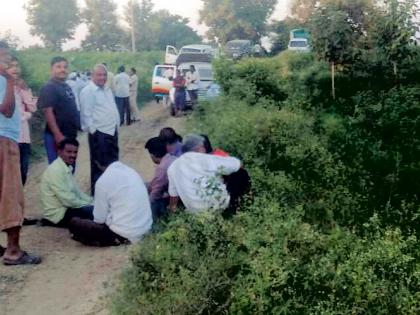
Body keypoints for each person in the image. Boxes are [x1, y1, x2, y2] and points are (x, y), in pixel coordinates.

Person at [0, 41, 41, 265]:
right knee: (11, 194)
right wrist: (8, 80)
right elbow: (6, 110)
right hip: (5, 139)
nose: (8, 64)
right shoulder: (3, 80)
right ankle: (13, 251)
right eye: (5, 59)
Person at [69, 159, 153, 247]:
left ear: (97, 162)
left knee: (75, 223)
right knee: (88, 211)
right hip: (145, 229)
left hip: (123, 234)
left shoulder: (102, 181)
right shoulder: (131, 171)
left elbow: (99, 219)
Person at [167, 134, 242, 214]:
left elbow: (173, 197)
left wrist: (171, 209)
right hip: (218, 206)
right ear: (201, 148)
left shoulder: (172, 167)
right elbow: (237, 164)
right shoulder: (203, 158)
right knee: (242, 174)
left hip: (196, 213)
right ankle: (239, 205)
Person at [80, 64, 120, 195]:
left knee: (113, 165)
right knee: (100, 167)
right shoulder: (88, 91)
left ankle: (112, 193)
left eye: (104, 75)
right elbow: (86, 114)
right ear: (92, 76)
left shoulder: (107, 89)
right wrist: (94, 133)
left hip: (111, 131)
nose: (102, 78)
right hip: (100, 134)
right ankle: (98, 197)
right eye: (99, 75)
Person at [40, 138, 93, 227]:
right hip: (58, 215)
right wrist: (89, 205)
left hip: (67, 209)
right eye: (69, 152)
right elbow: (68, 200)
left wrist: (92, 201)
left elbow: (78, 193)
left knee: (98, 210)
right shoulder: (55, 170)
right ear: (59, 152)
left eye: (75, 152)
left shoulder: (66, 167)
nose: (73, 155)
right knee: (97, 213)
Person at [37, 56, 80, 165]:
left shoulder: (66, 86)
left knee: (69, 169)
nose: (62, 69)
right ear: (52, 69)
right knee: (58, 170)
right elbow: (48, 111)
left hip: (69, 135)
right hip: (56, 137)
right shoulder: (49, 87)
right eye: (58, 67)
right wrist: (58, 135)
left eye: (65, 67)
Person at [145, 137, 177, 218]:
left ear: (153, 155)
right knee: (146, 185)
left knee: (153, 201)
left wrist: (146, 205)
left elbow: (156, 193)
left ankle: (153, 223)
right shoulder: (172, 157)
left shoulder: (162, 168)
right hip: (178, 193)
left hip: (176, 198)